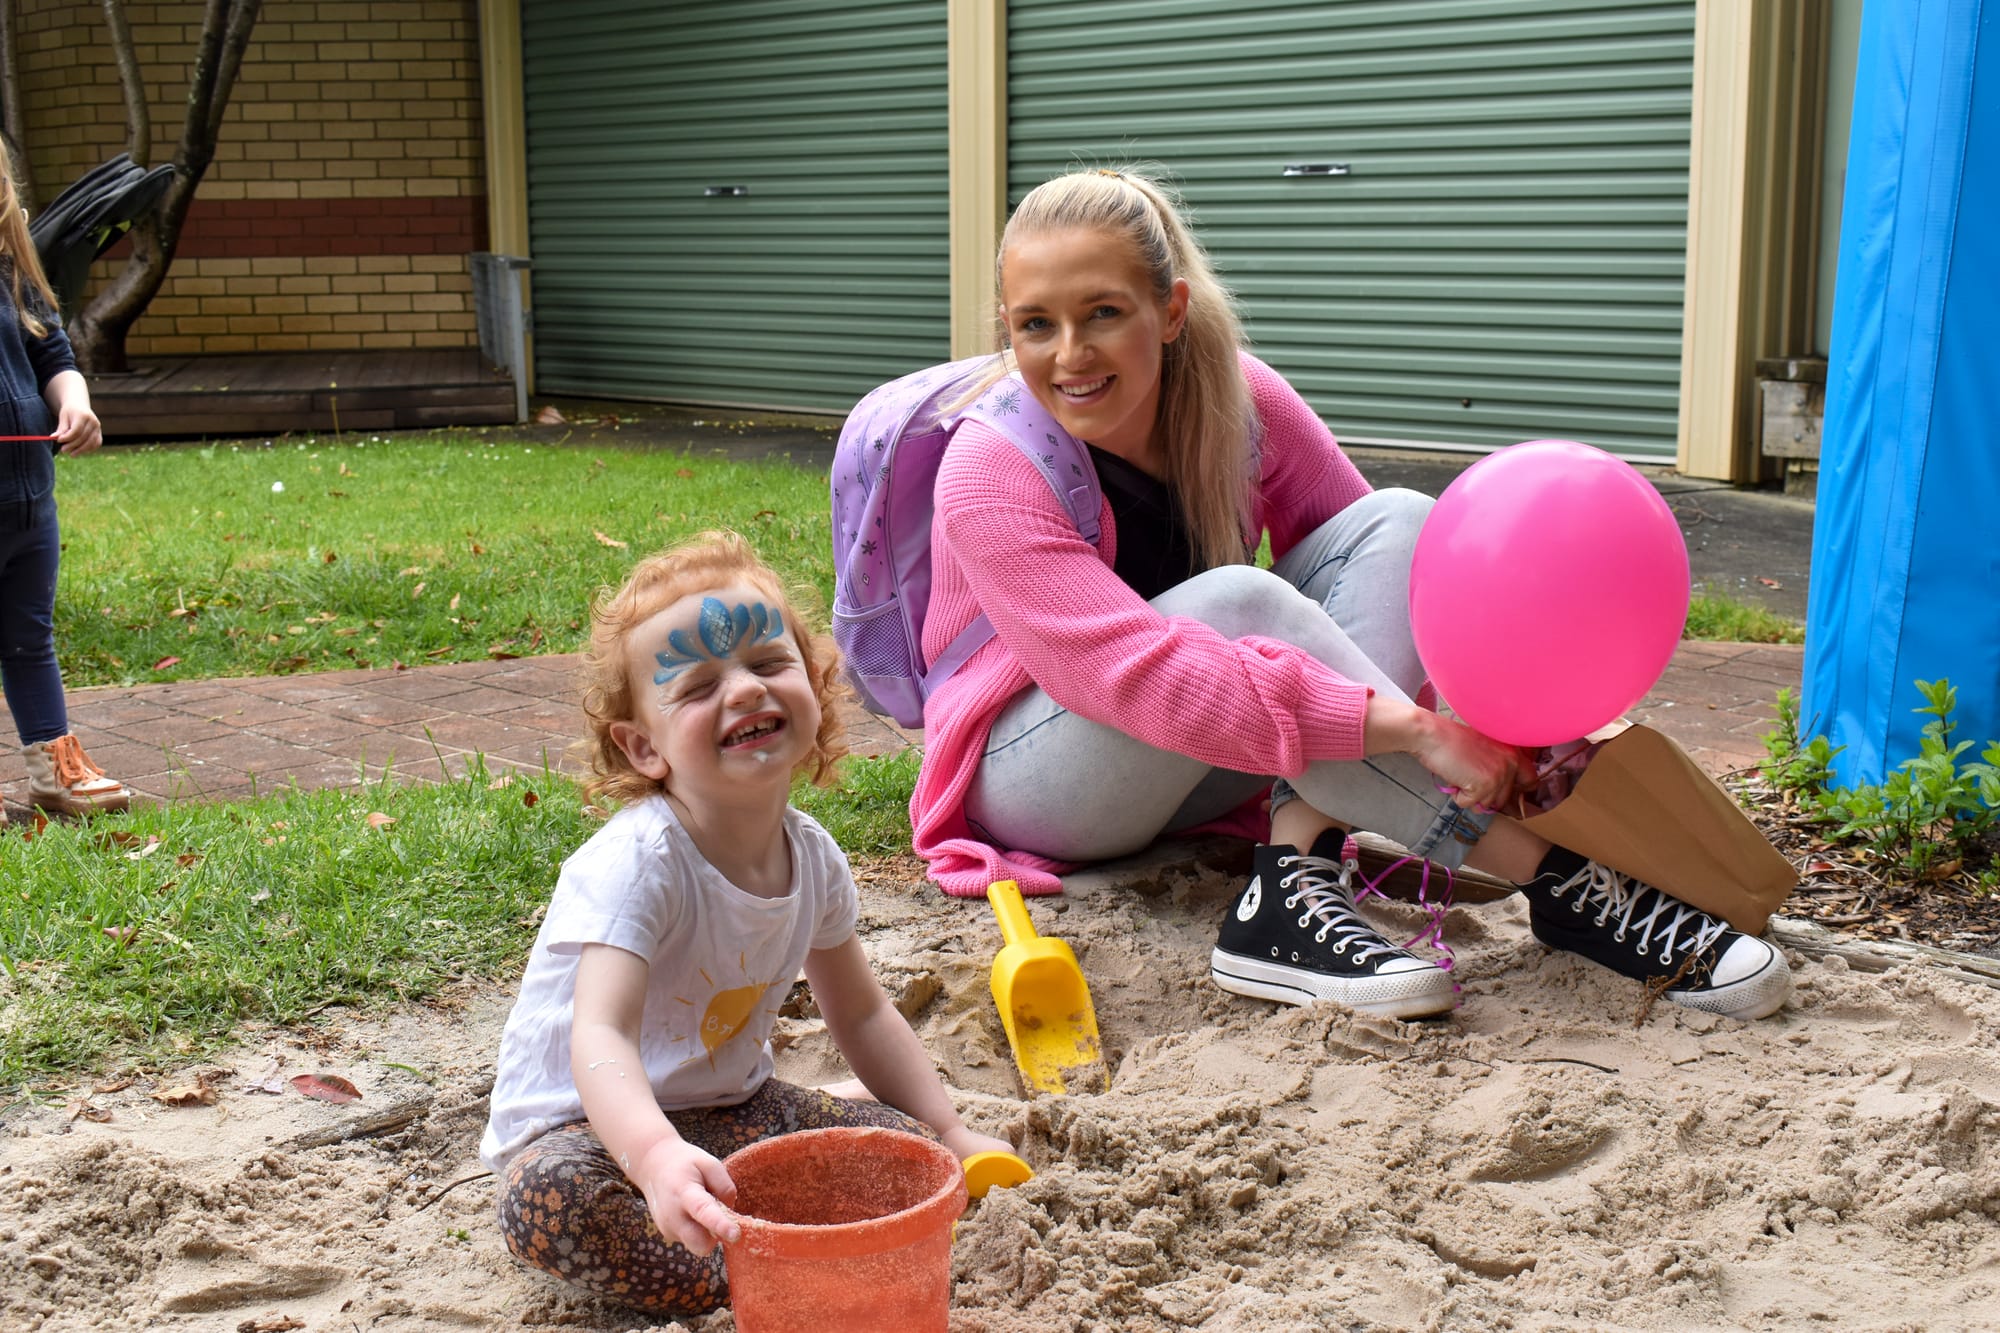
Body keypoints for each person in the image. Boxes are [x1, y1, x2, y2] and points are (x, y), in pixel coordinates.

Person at [908, 166, 1791, 1024]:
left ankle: (1292, 882)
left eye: (1103, 312)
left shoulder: (1237, 404)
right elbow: (1133, 676)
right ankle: (1560, 886)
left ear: (1170, 309)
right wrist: (1419, 731)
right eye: (1035, 325)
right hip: (1039, 778)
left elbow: (1391, 590)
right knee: (1238, 604)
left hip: (1204, 765)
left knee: (1402, 523)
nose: (1070, 355)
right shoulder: (990, 467)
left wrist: (1518, 731)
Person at [480, 531, 1013, 1318]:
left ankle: (771, 1245)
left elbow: (861, 1013)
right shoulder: (641, 862)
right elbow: (600, 1035)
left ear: (813, 683)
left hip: (735, 1110)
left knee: (904, 1150)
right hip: (591, 1128)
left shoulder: (814, 858)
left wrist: (949, 1128)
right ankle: (766, 1265)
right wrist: (656, 1157)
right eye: (697, 687)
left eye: (768, 665)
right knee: (550, 1200)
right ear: (643, 746)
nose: (742, 691)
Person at [0, 140, 130, 826]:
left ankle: (54, 771)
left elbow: (51, 349)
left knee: (29, 637)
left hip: (29, 504)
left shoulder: (12, 271)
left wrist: (73, 399)